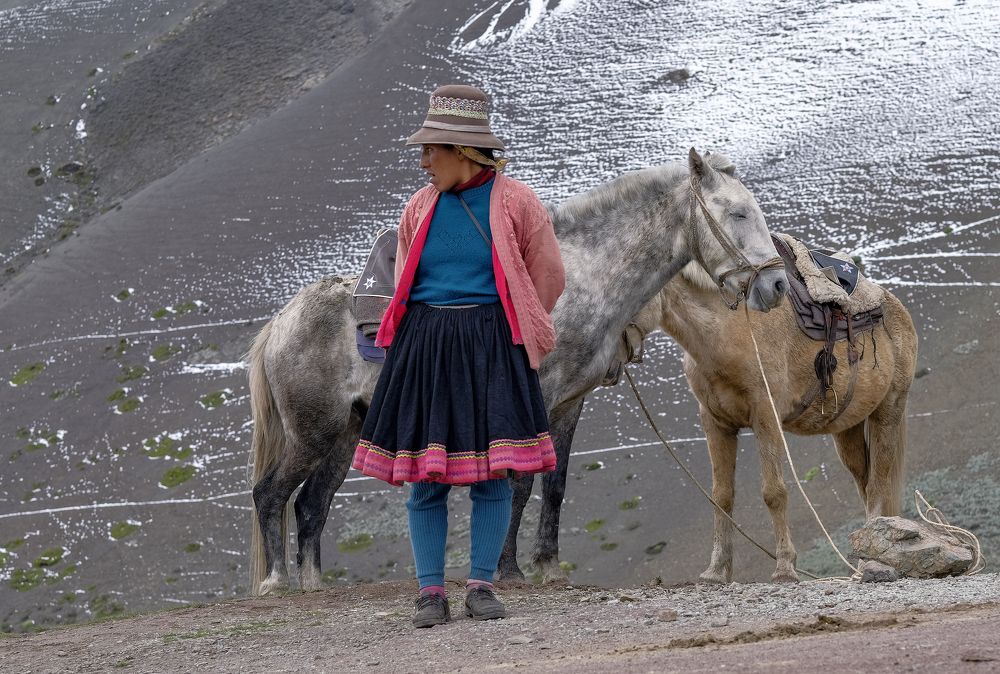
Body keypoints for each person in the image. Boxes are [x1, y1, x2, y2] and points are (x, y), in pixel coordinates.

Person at [351, 84, 565, 628]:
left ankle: (480, 586)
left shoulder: (517, 202)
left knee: (495, 472)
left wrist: (515, 326)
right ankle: (429, 593)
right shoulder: (419, 206)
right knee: (428, 474)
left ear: (464, 152)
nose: (423, 161)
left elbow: (547, 276)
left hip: (492, 345)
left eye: (432, 150)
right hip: (426, 347)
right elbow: (404, 277)